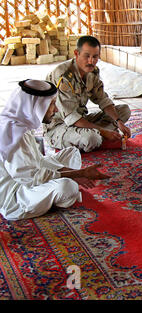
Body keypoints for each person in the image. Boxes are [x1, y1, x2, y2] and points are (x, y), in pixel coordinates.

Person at [0, 80, 110, 221]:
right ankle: (49, 198)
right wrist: (78, 173)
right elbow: (32, 178)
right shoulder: (15, 133)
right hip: (14, 193)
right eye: (51, 104)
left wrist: (72, 173)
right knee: (67, 187)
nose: (56, 109)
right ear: (36, 106)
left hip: (30, 175)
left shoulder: (19, 124)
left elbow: (38, 162)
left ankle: (59, 187)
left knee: (72, 152)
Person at [44, 35, 131, 152]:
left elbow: (102, 99)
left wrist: (118, 122)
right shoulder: (63, 75)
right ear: (76, 53)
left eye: (95, 57)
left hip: (82, 119)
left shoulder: (92, 72)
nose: (91, 61)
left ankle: (98, 135)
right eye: (87, 56)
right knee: (91, 138)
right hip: (60, 126)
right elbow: (71, 118)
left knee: (123, 111)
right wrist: (103, 131)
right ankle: (97, 136)